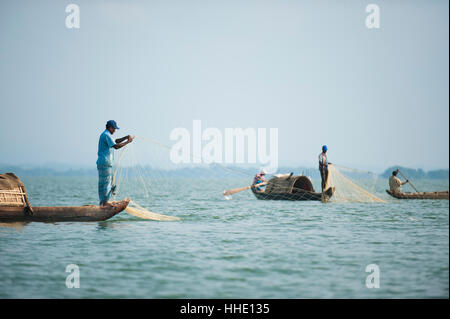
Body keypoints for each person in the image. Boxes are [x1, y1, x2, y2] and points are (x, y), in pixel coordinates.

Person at [96, 120, 134, 206]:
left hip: (105, 163)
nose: (115, 130)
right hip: (105, 163)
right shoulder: (106, 135)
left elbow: (116, 141)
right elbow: (116, 146)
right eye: (114, 129)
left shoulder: (107, 135)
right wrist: (128, 142)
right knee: (106, 184)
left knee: (106, 183)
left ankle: (103, 202)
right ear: (110, 128)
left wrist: (126, 137)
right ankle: (104, 204)